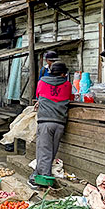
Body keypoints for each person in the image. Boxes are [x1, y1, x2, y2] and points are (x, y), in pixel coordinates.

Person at [29, 61, 73, 190]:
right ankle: (37, 175)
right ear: (62, 73)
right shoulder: (67, 84)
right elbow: (69, 98)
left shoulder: (42, 82)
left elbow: (39, 95)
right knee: (51, 152)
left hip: (45, 122)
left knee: (44, 151)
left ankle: (43, 180)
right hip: (60, 123)